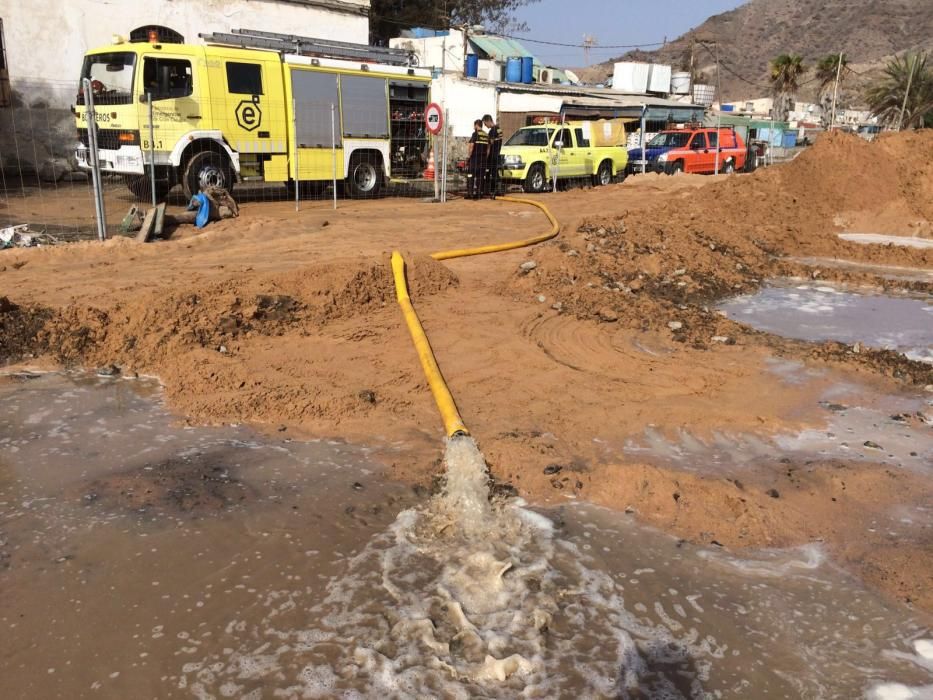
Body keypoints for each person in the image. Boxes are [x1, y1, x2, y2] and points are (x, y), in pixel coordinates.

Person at [466, 119, 488, 200]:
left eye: (474, 125)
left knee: (470, 175)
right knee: (480, 176)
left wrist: (469, 156)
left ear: (476, 125)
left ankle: (470, 193)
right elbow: (488, 149)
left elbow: (471, 146)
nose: (473, 127)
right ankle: (479, 193)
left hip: (475, 159)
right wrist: (485, 156)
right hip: (483, 159)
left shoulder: (475, 134)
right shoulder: (486, 135)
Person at [483, 114, 502, 198]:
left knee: (490, 174)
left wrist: (486, 156)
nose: (485, 126)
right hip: (497, 154)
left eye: (485, 123)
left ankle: (491, 191)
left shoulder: (492, 131)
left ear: (488, 121)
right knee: (496, 174)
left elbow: (489, 146)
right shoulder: (499, 129)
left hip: (492, 156)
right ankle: (497, 190)